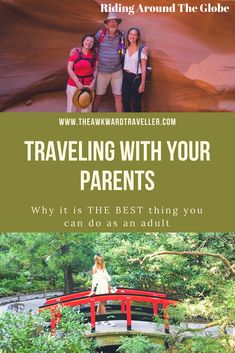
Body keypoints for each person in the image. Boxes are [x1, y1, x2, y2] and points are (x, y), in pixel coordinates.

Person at [70, 13, 125, 112]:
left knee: (118, 97)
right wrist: (77, 49)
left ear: (118, 24)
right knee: (98, 96)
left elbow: (128, 46)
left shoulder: (121, 35)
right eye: (110, 22)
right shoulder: (101, 34)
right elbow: (90, 45)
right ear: (107, 24)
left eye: (114, 22)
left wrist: (142, 49)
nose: (112, 24)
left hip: (117, 71)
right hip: (102, 71)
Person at [66, 34, 98, 112]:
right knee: (71, 107)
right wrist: (77, 82)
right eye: (87, 40)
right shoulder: (75, 52)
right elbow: (69, 69)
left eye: (91, 42)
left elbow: (96, 69)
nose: (88, 43)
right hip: (74, 84)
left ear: (93, 44)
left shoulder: (94, 55)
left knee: (86, 107)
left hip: (88, 85)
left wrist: (93, 83)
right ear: (83, 41)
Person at [122, 28, 148, 112]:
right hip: (126, 77)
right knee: (125, 102)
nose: (132, 36)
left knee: (136, 103)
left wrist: (142, 84)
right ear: (128, 35)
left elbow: (144, 67)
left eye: (134, 34)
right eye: (130, 34)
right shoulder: (125, 47)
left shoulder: (142, 49)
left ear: (137, 37)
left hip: (136, 78)